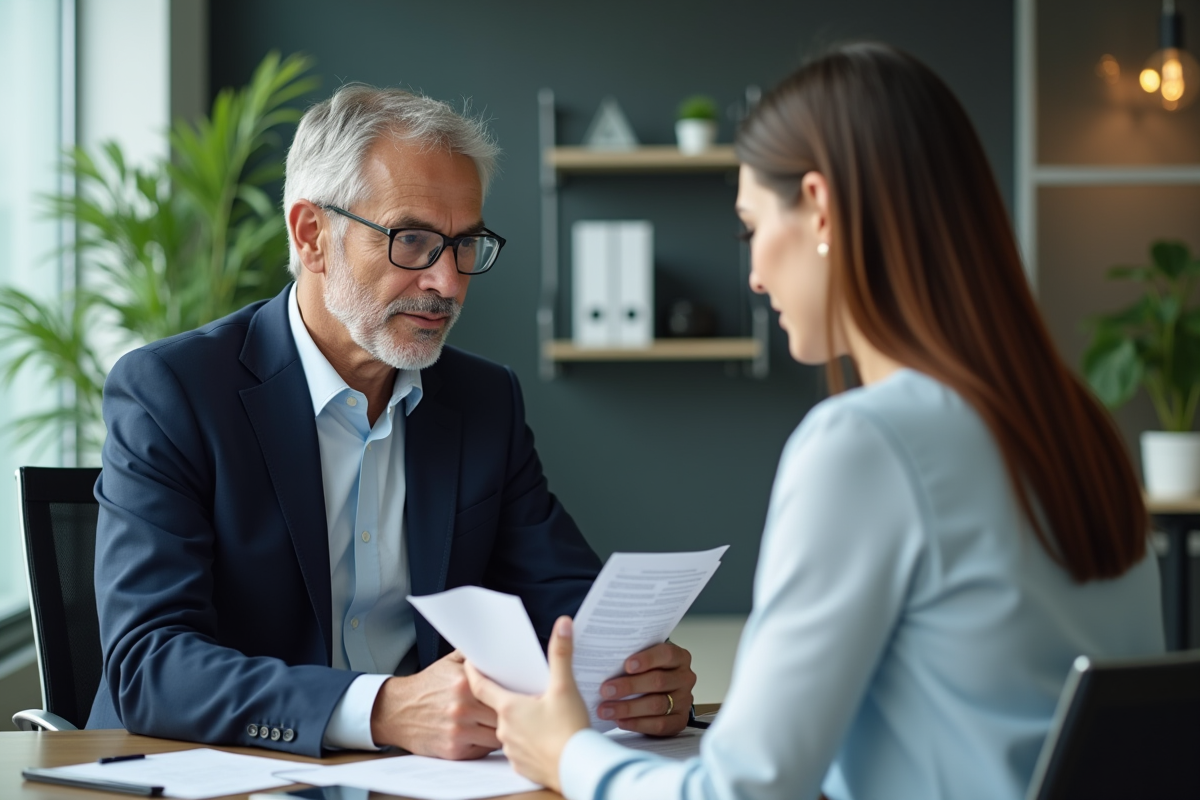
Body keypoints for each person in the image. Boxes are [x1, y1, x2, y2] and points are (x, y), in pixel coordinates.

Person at [465, 43, 1166, 800]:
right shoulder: (1082, 428)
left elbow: (744, 793)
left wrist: (567, 754)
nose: (756, 273)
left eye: (751, 227)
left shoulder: (867, 443)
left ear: (820, 206)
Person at [87, 85, 697, 758]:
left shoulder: (483, 401)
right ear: (312, 235)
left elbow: (565, 599)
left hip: (427, 776)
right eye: (412, 240)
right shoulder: (173, 393)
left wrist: (636, 677)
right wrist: (378, 709)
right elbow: (151, 663)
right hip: (218, 771)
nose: (449, 282)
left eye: (466, 245)